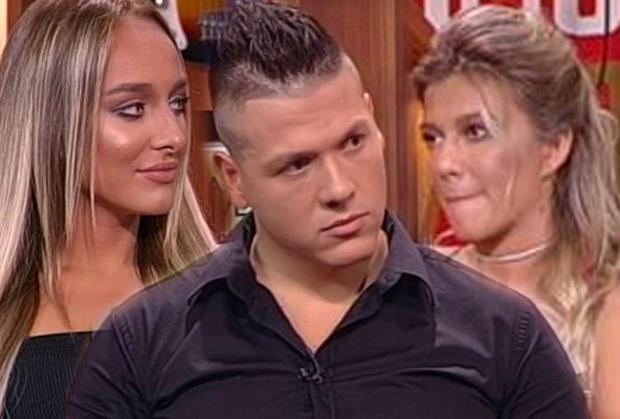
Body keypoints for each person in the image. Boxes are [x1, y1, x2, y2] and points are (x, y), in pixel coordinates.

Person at [67, 2, 588, 418]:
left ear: (373, 119)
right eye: (297, 165)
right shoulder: (141, 344)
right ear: (234, 180)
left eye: (353, 142)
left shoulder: (504, 334)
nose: (340, 188)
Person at [0, 1, 216, 418]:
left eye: (178, 103)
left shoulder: (228, 301)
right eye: (132, 109)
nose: (173, 135)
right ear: (51, 119)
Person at [413, 4, 620, 417]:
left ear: (553, 147)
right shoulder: (410, 291)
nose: (443, 163)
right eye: (434, 137)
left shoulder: (604, 304)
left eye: (475, 131)